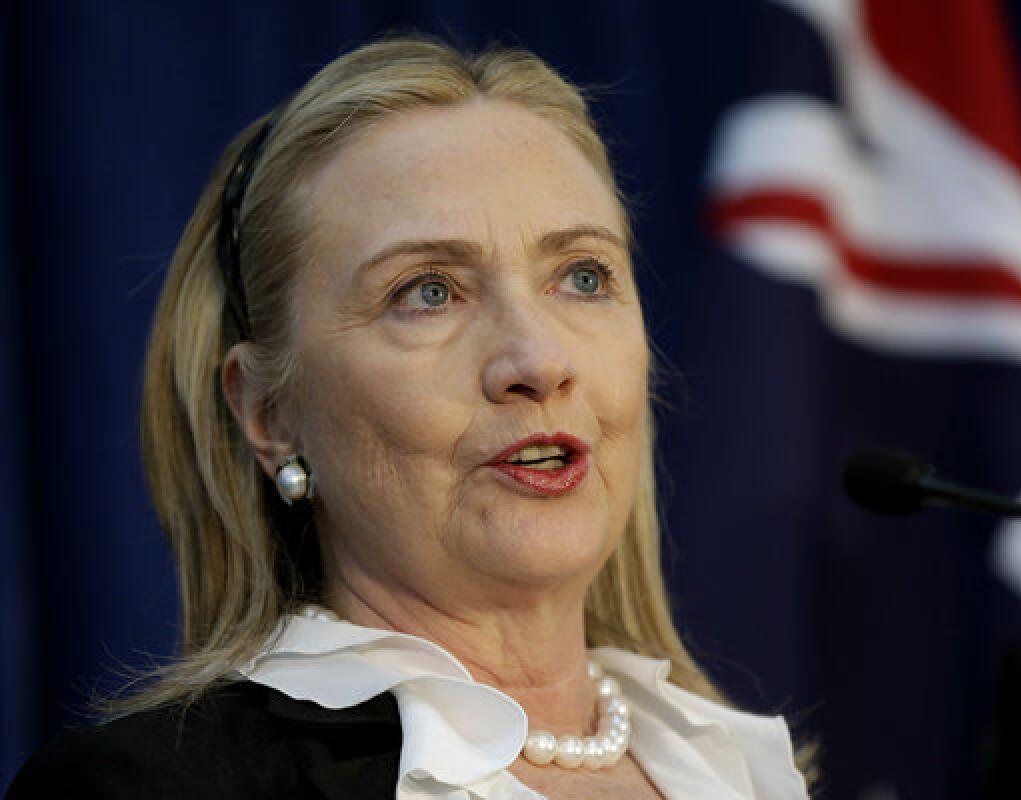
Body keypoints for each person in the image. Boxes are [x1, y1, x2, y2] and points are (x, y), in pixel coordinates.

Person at [7, 35, 810, 799]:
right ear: (269, 414)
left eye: (583, 277)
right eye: (429, 292)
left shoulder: (737, 771)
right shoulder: (148, 793)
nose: (537, 361)